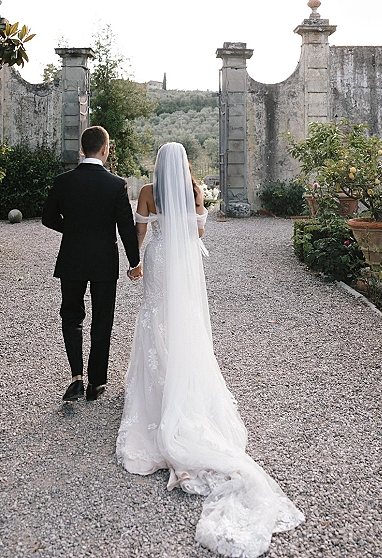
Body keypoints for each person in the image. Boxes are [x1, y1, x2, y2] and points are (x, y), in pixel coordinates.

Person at [116, 142, 304, 558]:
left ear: (157, 165)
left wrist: (135, 263)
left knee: (154, 320)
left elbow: (140, 230)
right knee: (183, 323)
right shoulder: (194, 188)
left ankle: (156, 389)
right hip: (184, 263)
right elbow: (199, 231)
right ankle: (184, 385)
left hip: (161, 259)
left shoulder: (148, 190)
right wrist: (192, 209)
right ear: (182, 165)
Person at [42, 125, 141, 403]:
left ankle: (76, 378)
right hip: (104, 261)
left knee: (71, 317)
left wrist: (73, 229)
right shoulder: (116, 184)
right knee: (102, 320)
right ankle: (96, 383)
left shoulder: (63, 182)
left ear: (82, 149)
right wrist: (135, 262)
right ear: (106, 149)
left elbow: (47, 218)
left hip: (71, 257)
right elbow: (125, 228)